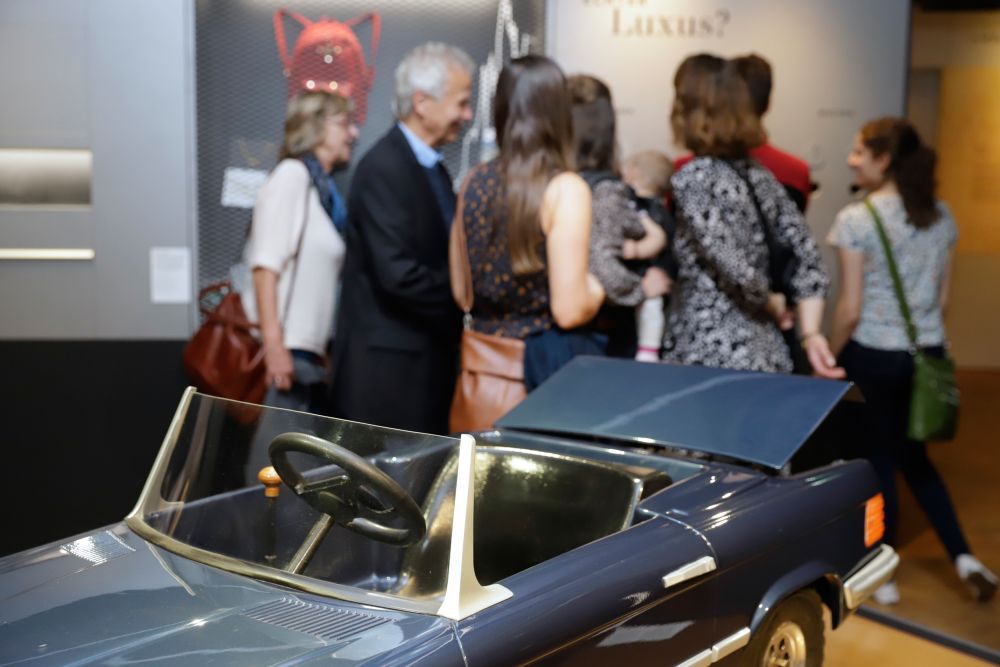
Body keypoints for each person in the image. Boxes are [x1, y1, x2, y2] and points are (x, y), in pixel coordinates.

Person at [828, 117, 998, 604]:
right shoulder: (941, 216)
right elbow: (941, 302)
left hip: (874, 356)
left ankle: (884, 573)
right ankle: (964, 556)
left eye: (859, 151)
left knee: (878, 461)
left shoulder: (857, 219)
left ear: (884, 161)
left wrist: (829, 355)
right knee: (917, 461)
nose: (851, 159)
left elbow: (850, 307)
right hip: (928, 354)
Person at [329, 42, 474, 435]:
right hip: (388, 379)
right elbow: (399, 275)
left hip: (419, 367)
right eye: (461, 102)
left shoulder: (429, 166)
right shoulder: (384, 168)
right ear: (422, 102)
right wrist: (465, 300)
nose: (468, 115)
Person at [665, 57, 842, 377]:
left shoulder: (692, 178)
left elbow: (728, 259)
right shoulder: (761, 177)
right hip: (766, 352)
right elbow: (809, 259)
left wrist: (769, 298)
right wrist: (811, 332)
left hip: (706, 353)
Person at [449, 55, 605, 391]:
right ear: (560, 113)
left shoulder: (473, 181)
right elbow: (569, 311)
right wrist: (596, 288)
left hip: (480, 374)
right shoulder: (565, 189)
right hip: (539, 380)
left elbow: (462, 291)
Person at [242, 90, 356, 413]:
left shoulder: (321, 191)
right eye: (344, 123)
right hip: (285, 356)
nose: (353, 133)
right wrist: (275, 348)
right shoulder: (292, 176)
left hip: (306, 356)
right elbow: (265, 268)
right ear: (317, 127)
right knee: (274, 461)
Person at [566, 74, 668, 360]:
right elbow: (603, 266)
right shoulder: (605, 190)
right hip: (595, 338)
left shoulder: (552, 181)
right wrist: (641, 288)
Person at [621, 150, 676, 361]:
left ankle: (648, 350)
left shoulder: (635, 207)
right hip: (661, 285)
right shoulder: (666, 214)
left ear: (633, 173)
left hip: (642, 281)